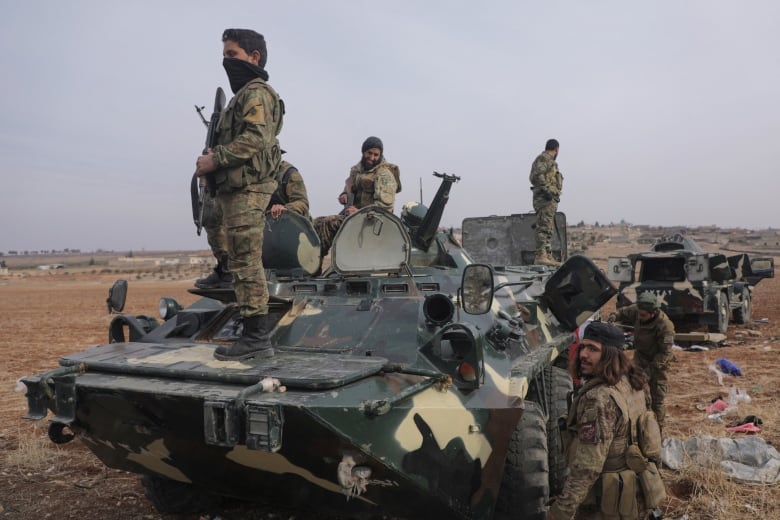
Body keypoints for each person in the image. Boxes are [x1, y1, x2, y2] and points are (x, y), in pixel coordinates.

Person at [194, 28, 284, 360]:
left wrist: (215, 159)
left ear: (253, 56)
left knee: (246, 261)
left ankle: (257, 340)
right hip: (235, 188)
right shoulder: (242, 96)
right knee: (238, 259)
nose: (225, 61)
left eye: (232, 54)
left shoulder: (257, 93)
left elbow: (256, 139)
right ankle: (252, 334)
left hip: (249, 189)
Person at [548, 321, 663, 520]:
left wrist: (561, 511)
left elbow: (587, 466)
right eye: (583, 346)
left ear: (610, 354)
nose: (583, 354)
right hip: (638, 496)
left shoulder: (599, 398)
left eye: (593, 349)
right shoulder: (633, 381)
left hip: (608, 505)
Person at [194, 159, 310, 289]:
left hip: (285, 235)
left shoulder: (287, 174)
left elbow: (302, 203)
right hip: (255, 231)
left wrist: (286, 209)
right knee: (214, 215)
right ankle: (226, 268)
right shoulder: (247, 174)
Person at [314, 136, 400, 258]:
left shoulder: (384, 174)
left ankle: (315, 263)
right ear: (363, 152)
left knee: (329, 224)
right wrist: (343, 195)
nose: (372, 158)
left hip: (373, 221)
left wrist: (359, 212)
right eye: (369, 153)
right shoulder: (357, 170)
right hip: (355, 217)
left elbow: (385, 209)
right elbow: (349, 187)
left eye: (376, 154)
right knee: (317, 223)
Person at [609, 292, 675, 430]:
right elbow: (623, 312)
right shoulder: (638, 309)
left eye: (643, 315)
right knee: (631, 386)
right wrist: (614, 316)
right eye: (639, 314)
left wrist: (649, 371)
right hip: (640, 357)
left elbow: (665, 353)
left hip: (658, 364)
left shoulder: (665, 326)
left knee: (657, 400)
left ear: (653, 313)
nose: (639, 317)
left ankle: (657, 432)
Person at [529, 139, 563, 266]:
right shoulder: (544, 159)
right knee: (543, 227)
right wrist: (548, 191)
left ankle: (547, 255)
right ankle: (540, 255)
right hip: (544, 199)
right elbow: (538, 176)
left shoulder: (549, 161)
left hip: (549, 200)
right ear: (556, 149)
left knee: (548, 228)